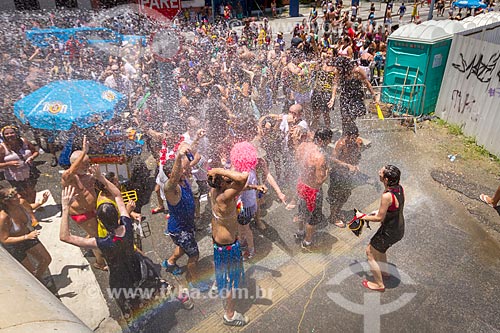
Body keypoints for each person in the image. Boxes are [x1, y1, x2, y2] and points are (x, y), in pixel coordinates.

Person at [60, 173, 193, 328]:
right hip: (139, 267)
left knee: (128, 302)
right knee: (157, 284)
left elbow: (65, 237)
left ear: (101, 222)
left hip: (120, 277)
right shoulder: (126, 224)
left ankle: (137, 325)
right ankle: (183, 299)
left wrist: (65, 208)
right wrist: (102, 179)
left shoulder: (101, 242)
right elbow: (117, 195)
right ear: (117, 215)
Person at [161, 143, 210, 292]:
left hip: (186, 226)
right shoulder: (171, 189)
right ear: (172, 175)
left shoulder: (184, 179)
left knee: (182, 248)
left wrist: (192, 144)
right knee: (194, 256)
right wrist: (177, 158)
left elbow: (187, 150)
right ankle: (195, 281)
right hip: (181, 230)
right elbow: (174, 178)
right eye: (183, 168)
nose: (187, 169)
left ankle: (170, 263)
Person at [208, 167, 249, 327]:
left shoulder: (215, 192)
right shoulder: (224, 198)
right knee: (233, 280)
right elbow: (242, 178)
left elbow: (239, 185)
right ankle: (230, 315)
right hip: (228, 246)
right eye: (227, 179)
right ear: (222, 183)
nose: (230, 180)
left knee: (222, 271)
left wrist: (253, 188)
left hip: (219, 242)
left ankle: (217, 283)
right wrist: (217, 169)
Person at [61, 135, 107, 271]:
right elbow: (70, 171)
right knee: (97, 238)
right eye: (84, 164)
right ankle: (99, 262)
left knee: (97, 229)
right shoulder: (69, 177)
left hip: (92, 210)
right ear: (76, 165)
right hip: (81, 213)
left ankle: (89, 234)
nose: (88, 166)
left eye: (88, 162)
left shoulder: (87, 174)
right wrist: (84, 152)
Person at [355, 165, 405, 291]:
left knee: (370, 252)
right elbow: (395, 207)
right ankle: (385, 272)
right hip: (398, 228)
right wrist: (378, 211)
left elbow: (379, 218)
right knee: (381, 250)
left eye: (381, 172)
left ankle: (379, 284)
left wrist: (362, 216)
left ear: (386, 180)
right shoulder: (399, 189)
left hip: (388, 232)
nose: (379, 172)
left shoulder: (387, 196)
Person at [0, 186, 52, 283]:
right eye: (14, 196)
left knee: (46, 259)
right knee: (30, 272)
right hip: (14, 246)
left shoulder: (21, 203)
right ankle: (38, 282)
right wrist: (26, 237)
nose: (19, 196)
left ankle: (38, 278)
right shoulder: (3, 217)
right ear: (5, 201)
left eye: (17, 193)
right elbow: (4, 239)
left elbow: (30, 207)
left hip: (28, 236)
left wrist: (41, 202)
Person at [293, 139, 329, 248]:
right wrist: (327, 172)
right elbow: (319, 181)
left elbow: (297, 162)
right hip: (313, 191)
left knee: (302, 212)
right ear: (321, 140)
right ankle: (307, 241)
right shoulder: (319, 157)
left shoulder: (302, 147)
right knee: (312, 218)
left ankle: (300, 232)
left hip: (302, 186)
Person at [327, 57, 377, 135]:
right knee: (344, 118)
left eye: (338, 67)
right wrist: (333, 98)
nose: (336, 69)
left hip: (356, 97)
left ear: (344, 66)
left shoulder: (357, 70)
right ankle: (345, 135)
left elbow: (367, 83)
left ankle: (353, 135)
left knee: (350, 118)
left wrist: (374, 96)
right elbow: (335, 84)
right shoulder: (339, 72)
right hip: (345, 97)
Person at [328, 123, 362, 227]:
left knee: (345, 195)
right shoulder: (341, 144)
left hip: (348, 175)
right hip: (338, 174)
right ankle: (333, 217)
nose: (351, 140)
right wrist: (347, 165)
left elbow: (357, 157)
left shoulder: (358, 143)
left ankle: (337, 212)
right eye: (349, 137)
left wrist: (356, 165)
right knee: (336, 196)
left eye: (353, 137)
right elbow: (332, 159)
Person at [0, 125, 39, 204]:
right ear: (3, 136)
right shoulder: (2, 147)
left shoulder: (24, 141)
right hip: (14, 175)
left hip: (29, 171)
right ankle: (27, 208)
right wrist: (9, 163)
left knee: (31, 189)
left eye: (12, 133)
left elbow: (36, 151)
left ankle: (33, 204)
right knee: (21, 192)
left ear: (16, 133)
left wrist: (32, 157)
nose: (10, 135)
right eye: (6, 134)